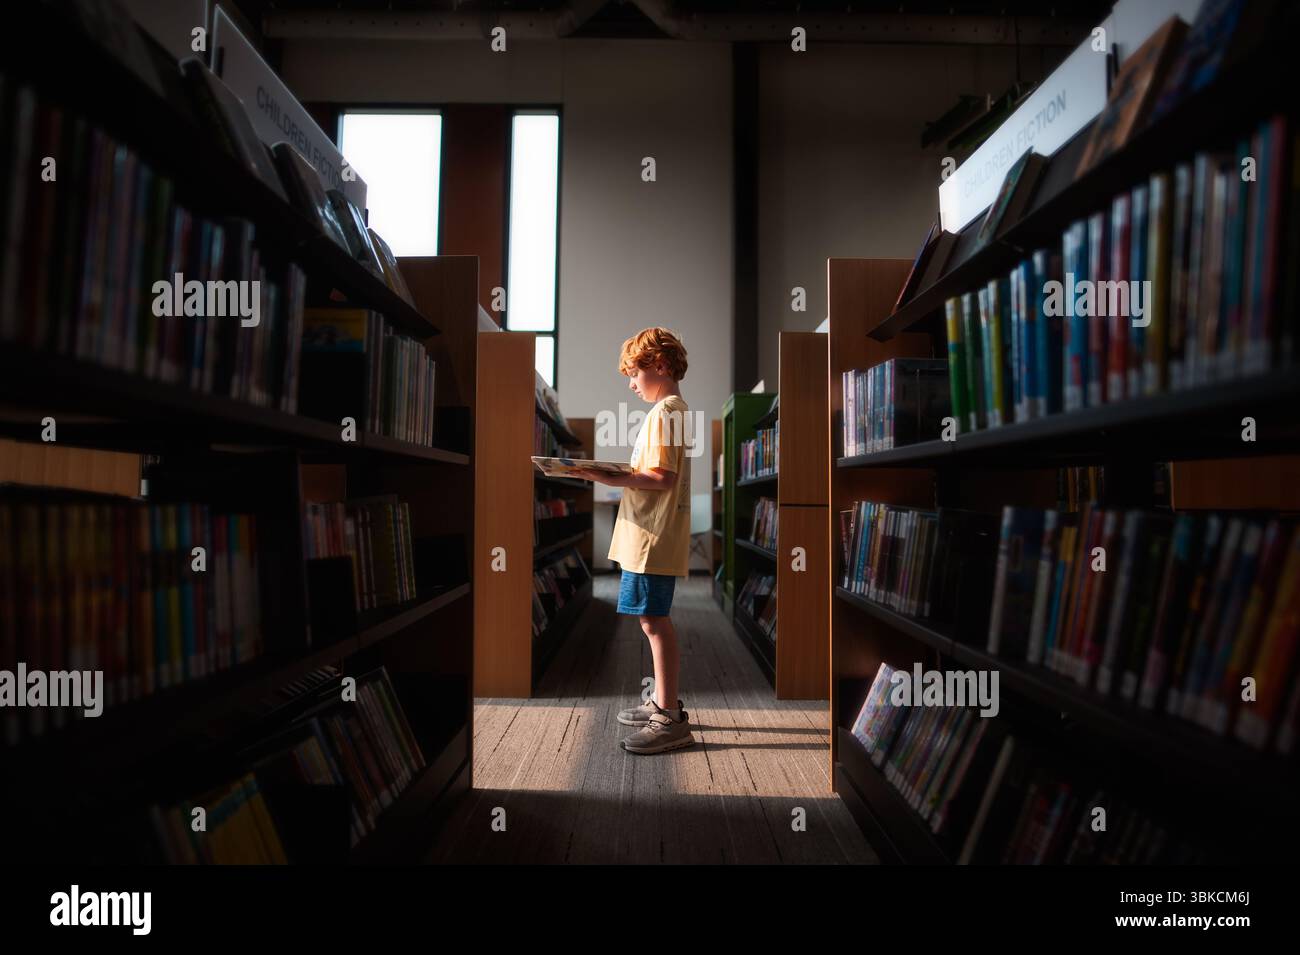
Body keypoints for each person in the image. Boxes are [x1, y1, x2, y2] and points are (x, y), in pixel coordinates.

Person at [572, 327, 694, 754]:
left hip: (651, 538)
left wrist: (605, 475)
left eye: (633, 373)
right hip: (650, 535)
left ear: (658, 366)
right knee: (651, 620)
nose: (630, 383)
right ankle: (663, 701)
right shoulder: (671, 411)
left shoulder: (666, 412)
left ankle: (670, 719)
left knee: (654, 622)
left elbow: (662, 478)